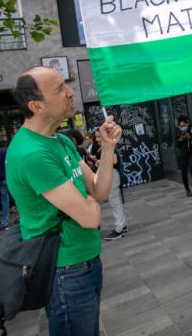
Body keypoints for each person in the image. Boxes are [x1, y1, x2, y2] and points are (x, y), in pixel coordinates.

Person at [7, 66, 122, 335]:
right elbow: (92, 217)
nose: (70, 92)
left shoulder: (59, 140)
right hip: (65, 271)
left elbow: (99, 191)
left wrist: (107, 147)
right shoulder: (31, 153)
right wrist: (85, 202)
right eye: (59, 88)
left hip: (87, 258)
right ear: (36, 105)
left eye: (66, 85)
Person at [103, 148, 128, 241]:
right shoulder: (109, 147)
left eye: (98, 137)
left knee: (115, 202)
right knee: (116, 202)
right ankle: (122, 226)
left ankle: (119, 229)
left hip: (112, 175)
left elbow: (114, 161)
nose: (97, 139)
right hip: (112, 175)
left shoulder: (110, 147)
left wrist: (100, 162)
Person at [175, 116, 192, 197]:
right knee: (184, 172)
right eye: (180, 126)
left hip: (191, 153)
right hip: (182, 154)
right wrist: (181, 139)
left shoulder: (191, 130)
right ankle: (187, 190)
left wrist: (190, 137)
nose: (182, 127)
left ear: (187, 124)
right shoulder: (177, 132)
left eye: (183, 126)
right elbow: (177, 145)